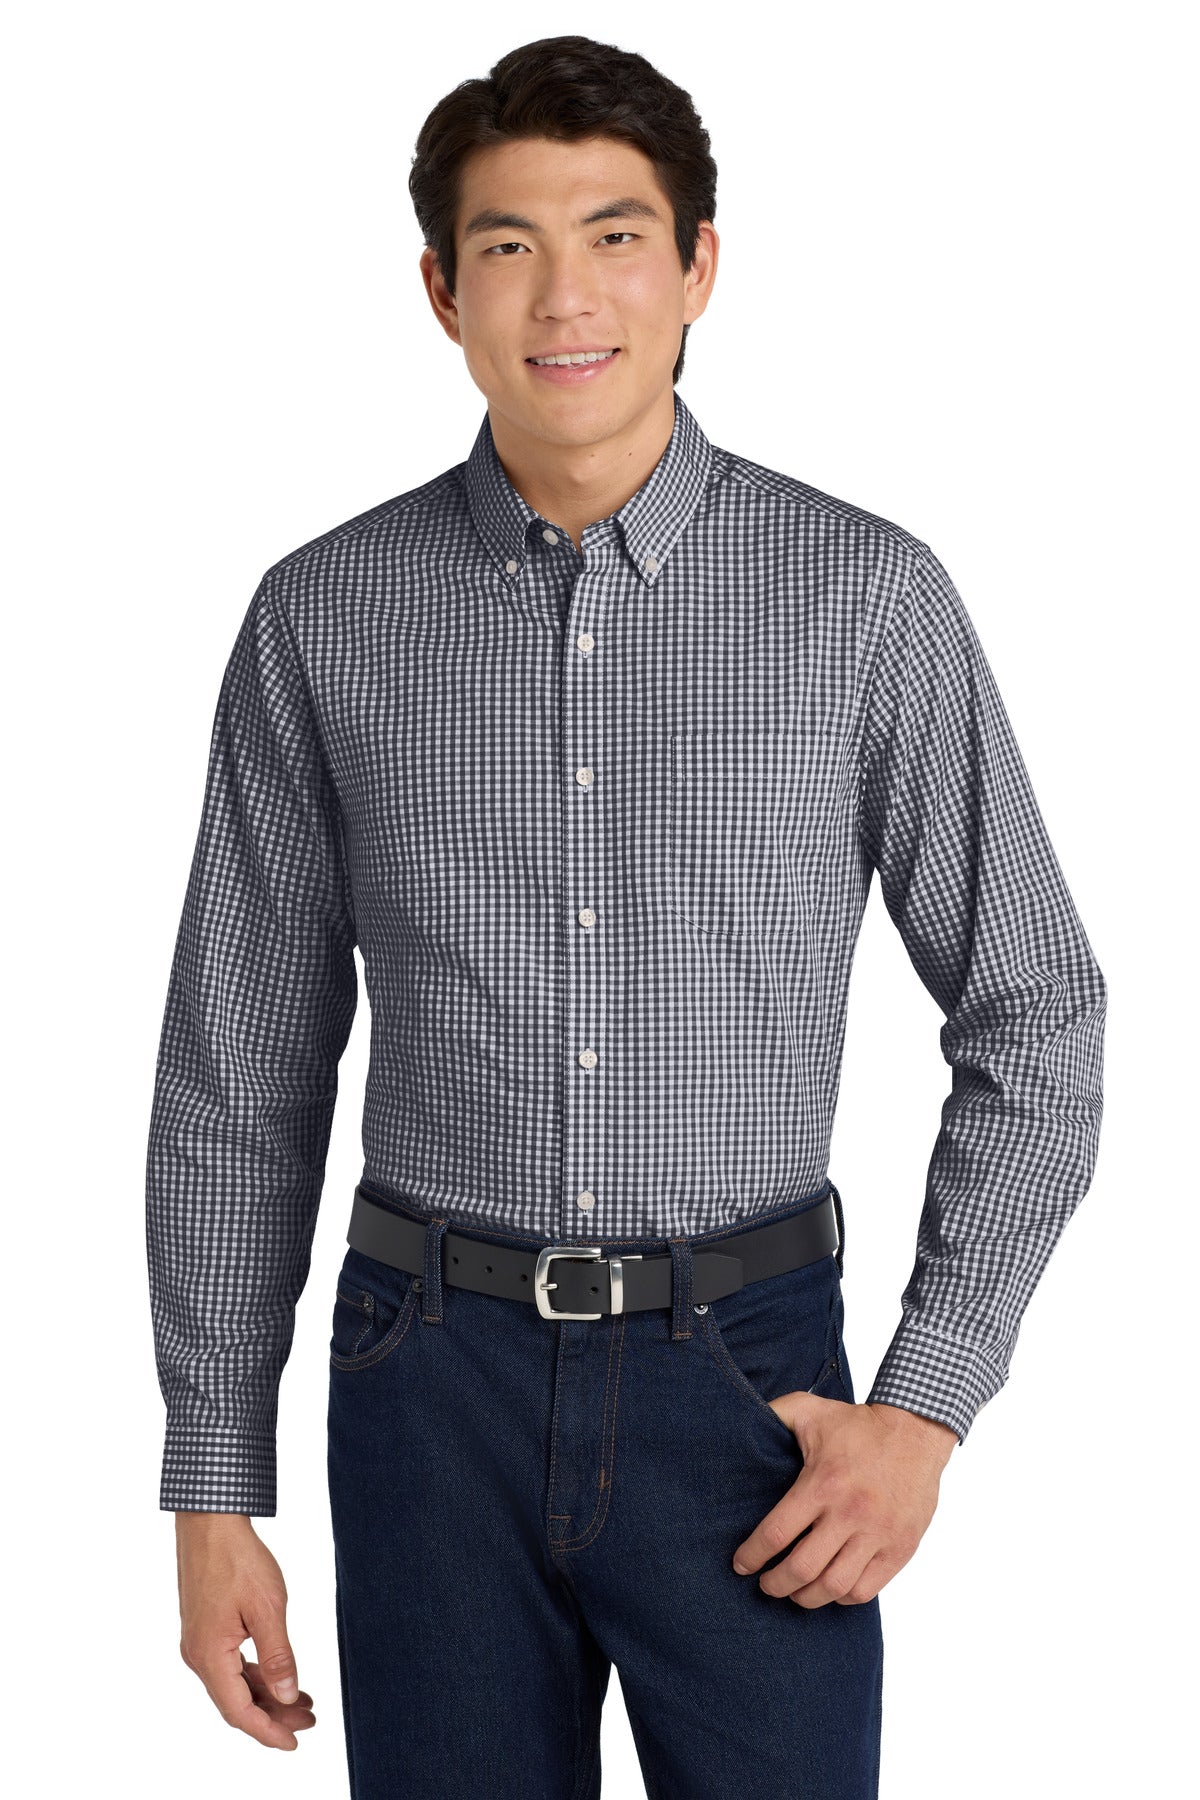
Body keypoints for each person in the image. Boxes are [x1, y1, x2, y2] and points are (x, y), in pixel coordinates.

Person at [146, 33, 1108, 1799]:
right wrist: (214, 1488)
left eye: (614, 236)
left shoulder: (863, 601)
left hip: (750, 1393)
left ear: (698, 267)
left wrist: (926, 1406)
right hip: (426, 1387)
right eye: (508, 246)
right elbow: (237, 1077)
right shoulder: (322, 617)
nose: (565, 296)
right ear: (442, 291)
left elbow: (1037, 1014)